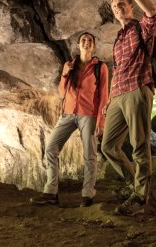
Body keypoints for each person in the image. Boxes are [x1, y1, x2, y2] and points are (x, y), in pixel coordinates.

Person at [101, 0, 156, 216]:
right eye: (115, 6)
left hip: (137, 89)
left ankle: (140, 196)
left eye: (122, 3)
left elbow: (153, 13)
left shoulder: (140, 29)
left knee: (139, 144)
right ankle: (131, 182)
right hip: (118, 95)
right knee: (108, 146)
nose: (118, 7)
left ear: (130, 7)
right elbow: (117, 70)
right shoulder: (117, 38)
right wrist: (110, 98)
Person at [30, 32, 109, 207]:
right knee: (51, 148)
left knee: (89, 155)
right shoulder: (70, 65)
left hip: (88, 115)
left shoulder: (100, 67)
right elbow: (62, 92)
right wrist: (65, 73)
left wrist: (101, 121)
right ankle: (51, 193)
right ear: (78, 45)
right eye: (83, 41)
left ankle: (87, 195)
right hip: (67, 113)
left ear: (93, 46)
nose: (86, 43)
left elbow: (104, 96)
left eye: (90, 41)